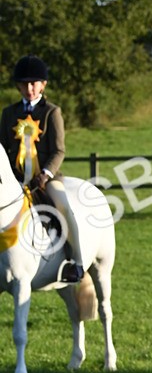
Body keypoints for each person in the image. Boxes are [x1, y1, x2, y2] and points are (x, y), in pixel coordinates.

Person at [0, 54, 85, 282]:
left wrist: (45, 175)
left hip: (46, 179)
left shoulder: (51, 112)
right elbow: (3, 149)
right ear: (18, 85)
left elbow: (59, 151)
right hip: (16, 181)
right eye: (24, 83)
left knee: (64, 206)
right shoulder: (9, 113)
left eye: (34, 83)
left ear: (43, 84)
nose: (29, 88)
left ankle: (76, 261)